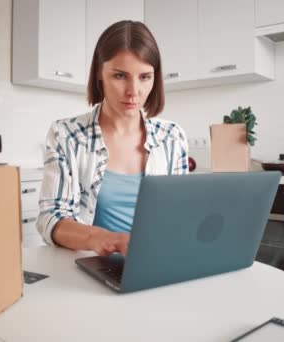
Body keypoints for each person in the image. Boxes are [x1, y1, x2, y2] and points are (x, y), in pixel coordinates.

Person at [36, 20, 189, 257]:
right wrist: (105, 239)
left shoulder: (172, 137)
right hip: (95, 264)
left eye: (145, 77)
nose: (133, 91)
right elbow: (51, 219)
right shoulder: (67, 135)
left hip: (158, 263)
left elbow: (180, 216)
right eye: (120, 76)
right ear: (99, 72)